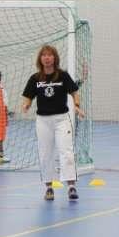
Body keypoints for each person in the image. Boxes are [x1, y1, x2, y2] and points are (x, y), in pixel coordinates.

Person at [22, 45, 84, 201]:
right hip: (43, 121)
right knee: (45, 154)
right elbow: (28, 96)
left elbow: (74, 92)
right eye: (44, 55)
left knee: (66, 152)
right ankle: (49, 188)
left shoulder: (62, 76)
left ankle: (71, 186)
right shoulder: (35, 78)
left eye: (50, 55)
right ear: (40, 59)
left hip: (62, 119)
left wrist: (77, 106)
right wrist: (26, 104)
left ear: (55, 58)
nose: (47, 58)